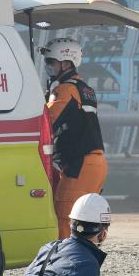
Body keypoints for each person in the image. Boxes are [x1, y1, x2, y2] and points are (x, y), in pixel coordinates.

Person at [41, 37, 107, 240]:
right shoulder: (84, 88)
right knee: (88, 220)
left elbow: (46, 120)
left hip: (81, 164)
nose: (49, 67)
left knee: (65, 217)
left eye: (52, 62)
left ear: (66, 62)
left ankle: (64, 260)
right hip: (94, 163)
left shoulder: (66, 89)